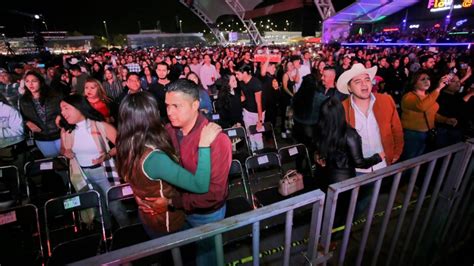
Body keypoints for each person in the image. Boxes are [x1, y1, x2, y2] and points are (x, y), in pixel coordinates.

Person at [143, 79, 231, 266]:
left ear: (195, 105)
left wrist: (173, 202)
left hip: (206, 215)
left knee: (207, 260)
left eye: (176, 106)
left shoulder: (216, 139)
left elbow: (214, 194)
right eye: (167, 106)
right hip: (180, 212)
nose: (169, 112)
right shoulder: (169, 131)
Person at [116, 92, 221, 238]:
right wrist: (203, 145)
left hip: (149, 219)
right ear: (151, 116)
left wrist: (140, 195)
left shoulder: (125, 144)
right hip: (168, 224)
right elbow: (200, 185)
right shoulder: (154, 159)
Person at [59, 94, 122, 229]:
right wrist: (66, 152)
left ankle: (128, 232)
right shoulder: (66, 131)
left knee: (115, 206)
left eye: (66, 108)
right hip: (81, 174)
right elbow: (63, 150)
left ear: (79, 107)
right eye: (61, 109)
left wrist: (108, 155)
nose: (63, 113)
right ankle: (108, 236)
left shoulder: (101, 125)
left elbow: (122, 145)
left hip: (103, 171)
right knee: (97, 208)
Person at [401, 70, 452, 159]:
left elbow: (431, 114)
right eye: (422, 79)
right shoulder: (408, 97)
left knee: (421, 161)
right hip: (413, 135)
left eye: (428, 79)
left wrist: (446, 120)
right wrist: (438, 89)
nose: (426, 81)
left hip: (428, 133)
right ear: (414, 83)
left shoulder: (429, 96)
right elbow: (422, 107)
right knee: (409, 161)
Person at [20, 71, 62, 158]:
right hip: (41, 136)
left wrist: (60, 116)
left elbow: (67, 109)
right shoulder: (24, 100)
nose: (30, 84)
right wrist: (27, 122)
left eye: (34, 81)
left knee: (67, 159)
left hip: (60, 133)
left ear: (41, 82)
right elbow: (21, 117)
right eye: (27, 81)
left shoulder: (54, 96)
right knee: (52, 160)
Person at [236, 63, 265, 152]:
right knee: (249, 134)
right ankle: (253, 154)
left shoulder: (256, 83)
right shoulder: (241, 82)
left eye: (238, 74)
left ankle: (261, 155)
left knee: (257, 135)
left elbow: (259, 103)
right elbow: (244, 94)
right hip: (247, 111)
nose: (236, 76)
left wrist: (260, 120)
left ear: (244, 73)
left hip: (257, 113)